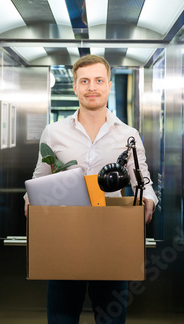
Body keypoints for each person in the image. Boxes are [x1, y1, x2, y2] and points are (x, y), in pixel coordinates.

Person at [24, 54, 158, 323]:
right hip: (64, 237)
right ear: (75, 87)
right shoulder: (54, 132)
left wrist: (149, 202)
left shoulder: (127, 134)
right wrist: (29, 200)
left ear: (109, 85)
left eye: (98, 80)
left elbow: (143, 182)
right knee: (61, 317)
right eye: (84, 81)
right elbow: (39, 177)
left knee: (111, 318)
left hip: (112, 238)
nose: (91, 87)